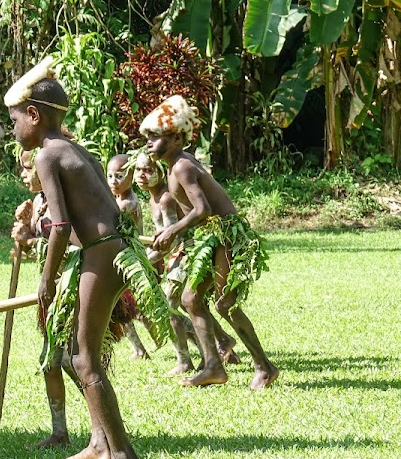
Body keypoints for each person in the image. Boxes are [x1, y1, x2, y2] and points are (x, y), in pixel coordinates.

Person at [7, 58, 170, 459]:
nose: (13, 128)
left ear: (35, 115)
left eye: (15, 119)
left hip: (100, 255)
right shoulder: (77, 150)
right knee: (80, 351)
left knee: (83, 358)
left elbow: (60, 225)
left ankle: (124, 458)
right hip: (111, 252)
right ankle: (101, 444)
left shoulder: (46, 155)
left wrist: (46, 278)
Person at [144, 95, 279, 389]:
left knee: (225, 303)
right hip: (210, 236)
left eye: (155, 136)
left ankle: (265, 367)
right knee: (191, 299)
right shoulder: (172, 168)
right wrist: (174, 236)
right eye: (147, 138)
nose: (148, 143)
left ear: (177, 136)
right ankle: (213, 366)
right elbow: (192, 216)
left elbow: (202, 209)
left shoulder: (182, 166)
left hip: (226, 233)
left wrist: (172, 230)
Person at [132, 150, 240, 375]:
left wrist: (145, 260)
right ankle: (221, 341)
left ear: (161, 172)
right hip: (178, 254)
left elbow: (175, 239)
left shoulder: (165, 199)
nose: (142, 175)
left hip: (187, 253)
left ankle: (185, 360)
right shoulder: (152, 199)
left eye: (148, 170)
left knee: (170, 305)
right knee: (187, 304)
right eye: (138, 170)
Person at [12, 150, 73, 449]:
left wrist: (31, 241)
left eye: (27, 169)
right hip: (51, 294)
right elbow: (32, 245)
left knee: (75, 362)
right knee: (50, 361)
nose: (23, 175)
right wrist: (24, 231)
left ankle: (105, 431)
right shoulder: (38, 202)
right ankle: (59, 432)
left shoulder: (66, 198)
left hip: (74, 288)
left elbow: (70, 243)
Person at [107, 154, 151, 360]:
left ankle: (193, 347)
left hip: (132, 261)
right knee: (123, 307)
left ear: (131, 176)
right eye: (109, 176)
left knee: (144, 311)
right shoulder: (118, 200)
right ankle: (139, 349)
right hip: (123, 261)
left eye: (119, 176)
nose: (113, 181)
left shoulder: (127, 204)